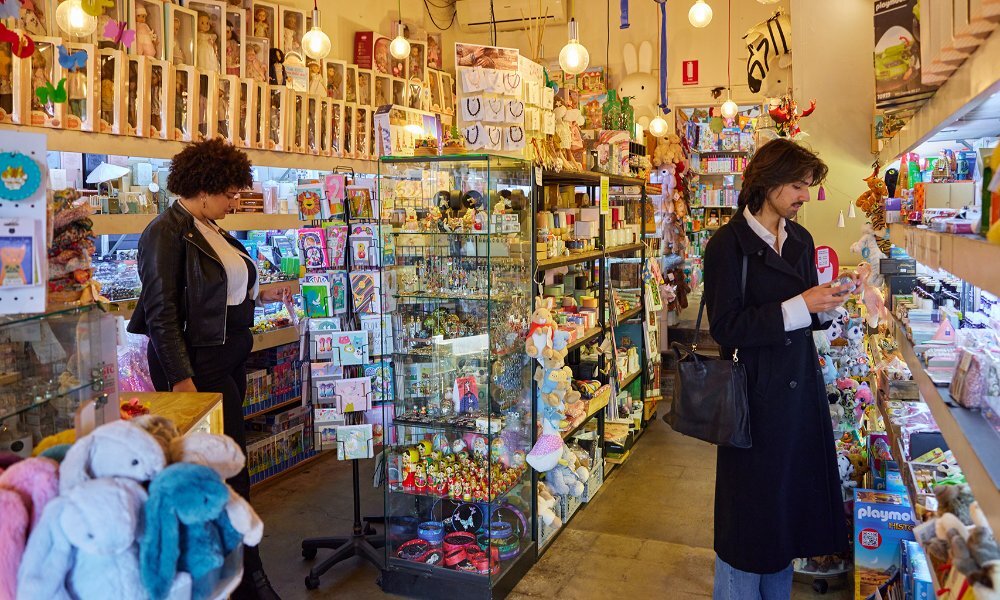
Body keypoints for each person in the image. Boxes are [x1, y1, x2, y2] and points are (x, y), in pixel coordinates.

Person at [128, 139, 287, 600]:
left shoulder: (208, 226)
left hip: (227, 358)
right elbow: (161, 312)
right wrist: (184, 381)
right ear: (204, 188)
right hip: (197, 367)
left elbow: (221, 289)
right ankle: (243, 577)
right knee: (224, 468)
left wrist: (262, 295)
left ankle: (236, 571)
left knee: (228, 463)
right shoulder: (166, 231)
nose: (235, 201)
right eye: (230, 193)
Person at [702, 138, 857, 599]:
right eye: (797, 184)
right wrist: (801, 305)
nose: (804, 195)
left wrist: (831, 302)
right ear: (767, 182)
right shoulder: (727, 245)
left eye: (807, 186)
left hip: (798, 399)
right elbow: (726, 328)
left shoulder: (802, 240)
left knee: (785, 519)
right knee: (748, 527)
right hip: (751, 400)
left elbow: (808, 313)